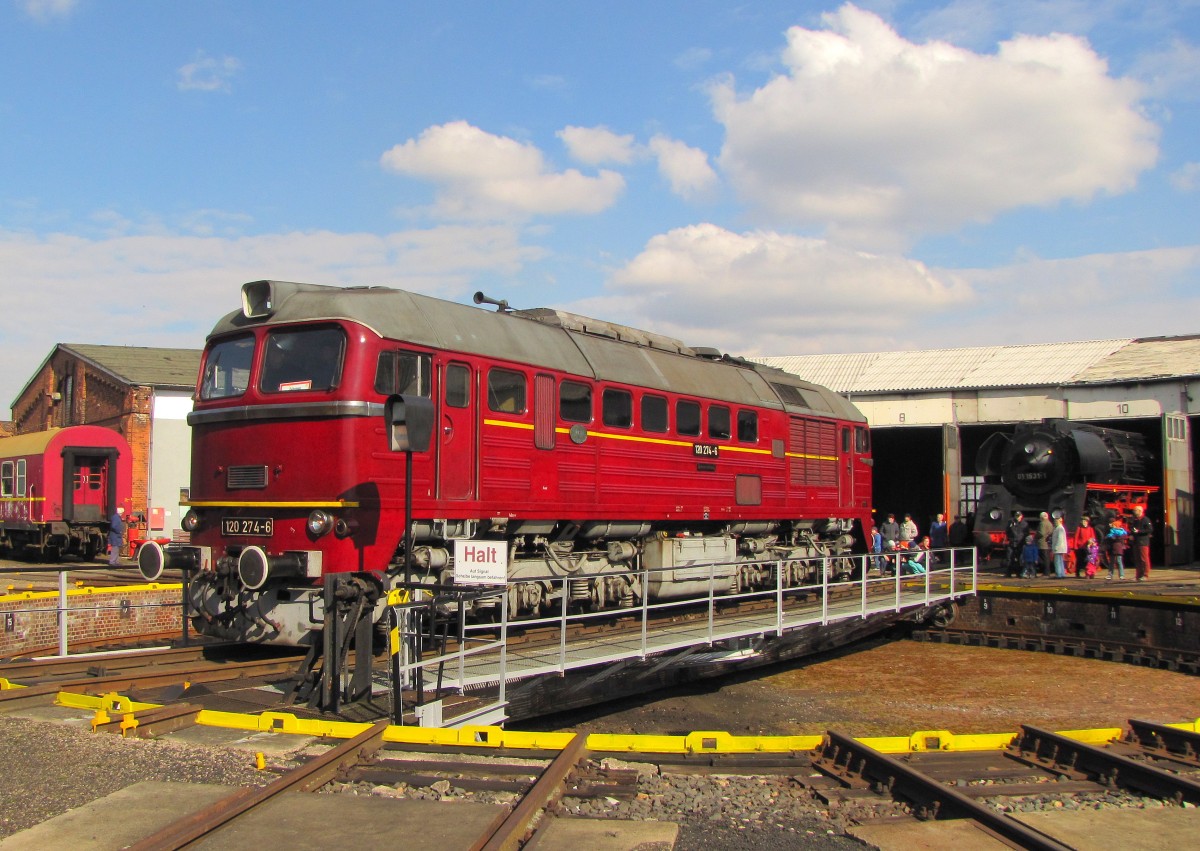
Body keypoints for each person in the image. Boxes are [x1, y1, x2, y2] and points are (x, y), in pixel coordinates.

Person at [1129, 505, 1153, 581]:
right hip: (1136, 542)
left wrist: (1139, 531)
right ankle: (1138, 575)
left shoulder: (1145, 519)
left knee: (1144, 559)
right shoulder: (1135, 520)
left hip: (1143, 542)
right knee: (1137, 559)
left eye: (1135, 510)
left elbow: (1150, 529)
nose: (1134, 512)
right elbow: (1132, 528)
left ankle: (1145, 575)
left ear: (1140, 511)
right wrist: (1132, 533)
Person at [1005, 512, 1029, 577]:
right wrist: (1010, 538)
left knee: (1019, 558)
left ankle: (1018, 573)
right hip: (1012, 542)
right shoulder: (1011, 523)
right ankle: (1008, 573)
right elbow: (1007, 531)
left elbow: (1026, 533)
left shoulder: (1024, 524)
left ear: (1021, 516)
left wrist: (1023, 541)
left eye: (1018, 516)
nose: (1017, 517)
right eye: (1016, 516)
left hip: (1020, 543)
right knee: (1009, 557)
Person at [1037, 512, 1053, 576]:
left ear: (1041, 517)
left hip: (1042, 543)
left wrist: (1036, 535)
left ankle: (1045, 572)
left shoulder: (1042, 523)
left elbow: (1041, 533)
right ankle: (1047, 571)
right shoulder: (1050, 523)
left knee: (1044, 559)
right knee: (1047, 558)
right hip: (1048, 543)